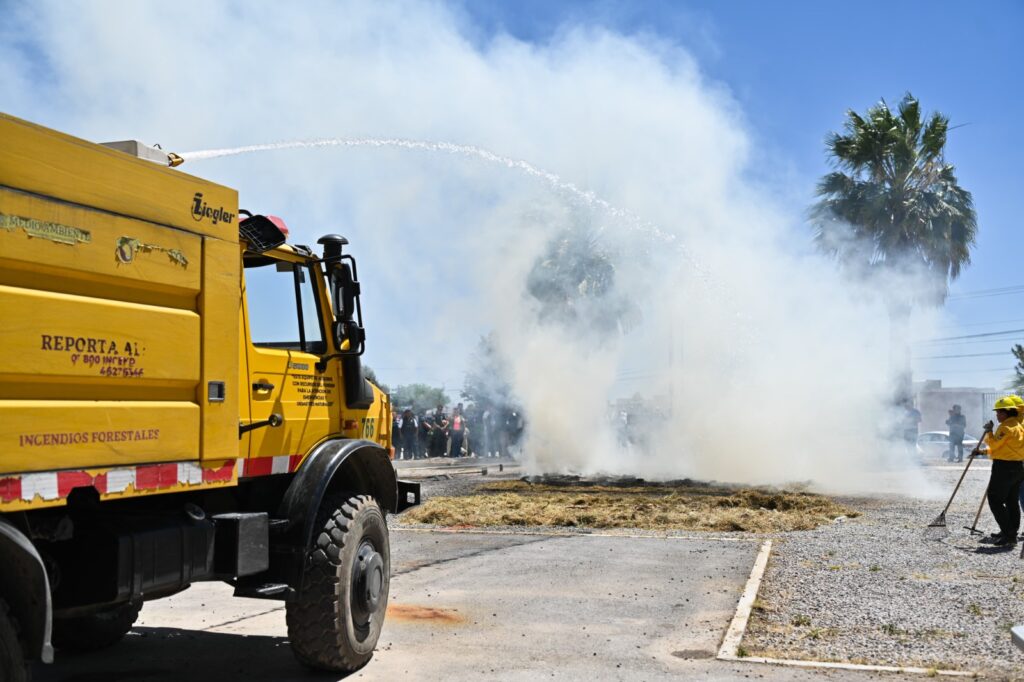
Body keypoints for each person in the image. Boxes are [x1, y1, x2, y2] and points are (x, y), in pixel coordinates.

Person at [979, 396, 1024, 547]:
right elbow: (1002, 448)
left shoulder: (1005, 427)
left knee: (995, 500)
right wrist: (983, 452)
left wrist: (989, 432)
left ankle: (1009, 534)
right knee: (1011, 501)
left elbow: (994, 445)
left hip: (1004, 468)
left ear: (1006, 413)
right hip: (1018, 467)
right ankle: (1012, 532)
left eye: (998, 412)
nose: (997, 415)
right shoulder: (1019, 426)